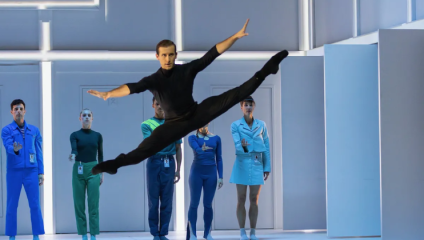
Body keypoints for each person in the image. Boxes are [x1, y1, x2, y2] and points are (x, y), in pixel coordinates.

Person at [88, 19, 288, 175]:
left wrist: (235, 36)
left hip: (198, 113)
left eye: (171, 55)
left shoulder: (186, 70)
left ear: (175, 55)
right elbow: (132, 87)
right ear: (157, 56)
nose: (167, 59)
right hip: (173, 125)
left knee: (238, 94)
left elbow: (212, 54)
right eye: (163, 55)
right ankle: (114, 165)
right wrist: (109, 94)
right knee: (144, 150)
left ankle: (268, 68)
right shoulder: (154, 80)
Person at [1, 99, 45, 240]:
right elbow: (8, 146)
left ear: (25, 111)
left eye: (21, 108)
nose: (18, 111)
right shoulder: (6, 130)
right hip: (14, 171)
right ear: (11, 112)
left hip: (31, 171)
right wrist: (14, 149)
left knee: (35, 204)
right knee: (12, 205)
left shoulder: (34, 130)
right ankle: (11, 236)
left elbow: (39, 152)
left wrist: (41, 172)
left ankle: (36, 235)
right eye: (16, 109)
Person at [229, 96, 271, 240]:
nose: (248, 107)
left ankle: (253, 232)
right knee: (241, 198)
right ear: (241, 107)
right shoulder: (235, 125)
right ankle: (242, 232)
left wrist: (267, 166)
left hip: (257, 163)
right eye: (245, 105)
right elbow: (237, 146)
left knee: (254, 198)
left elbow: (266, 147)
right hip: (241, 163)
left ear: (254, 106)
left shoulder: (262, 124)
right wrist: (244, 148)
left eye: (250, 104)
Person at [142, 97, 182, 240]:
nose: (160, 106)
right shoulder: (146, 124)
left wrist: (178, 169)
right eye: (157, 104)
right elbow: (151, 144)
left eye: (163, 103)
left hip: (169, 164)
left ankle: (163, 233)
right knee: (153, 200)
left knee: (167, 200)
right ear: (153, 105)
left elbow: (178, 147)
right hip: (154, 163)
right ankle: (155, 233)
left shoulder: (175, 124)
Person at [69, 109, 103, 240]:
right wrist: (73, 154)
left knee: (93, 203)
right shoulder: (74, 135)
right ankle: (83, 234)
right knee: (79, 203)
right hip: (79, 168)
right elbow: (74, 148)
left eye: (89, 115)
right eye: (84, 115)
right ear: (80, 118)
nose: (87, 117)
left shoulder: (97, 135)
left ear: (92, 118)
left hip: (94, 168)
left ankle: (93, 234)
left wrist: (102, 172)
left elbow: (101, 154)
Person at [187, 123, 223, 240]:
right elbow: (196, 148)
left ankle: (207, 233)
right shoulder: (192, 138)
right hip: (196, 173)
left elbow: (219, 158)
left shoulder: (216, 138)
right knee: (194, 203)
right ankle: (192, 233)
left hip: (211, 174)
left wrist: (221, 176)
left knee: (208, 204)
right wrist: (201, 149)